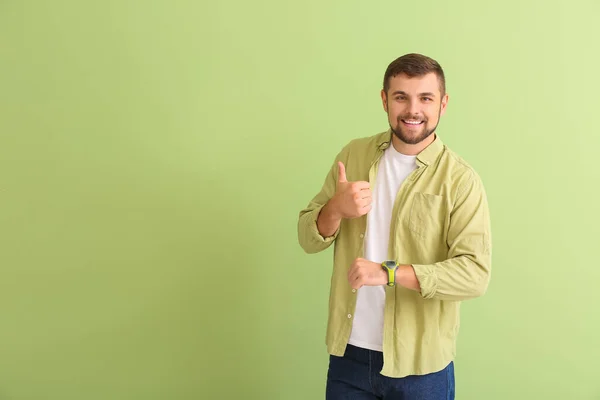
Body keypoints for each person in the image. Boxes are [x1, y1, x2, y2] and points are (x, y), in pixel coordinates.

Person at [297, 53, 492, 400]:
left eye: (425, 98)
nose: (413, 110)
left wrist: (387, 273)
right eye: (401, 96)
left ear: (443, 103)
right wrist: (336, 209)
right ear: (385, 100)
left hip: (421, 365)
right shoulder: (354, 155)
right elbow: (308, 238)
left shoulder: (460, 180)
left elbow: (474, 274)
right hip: (349, 356)